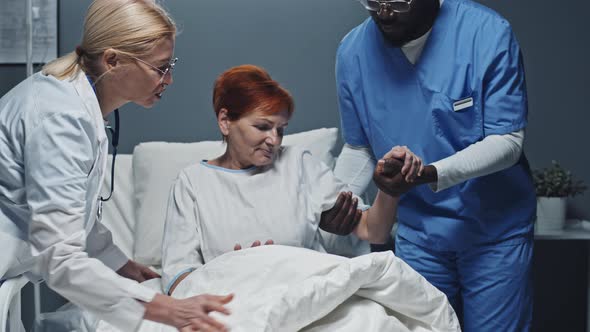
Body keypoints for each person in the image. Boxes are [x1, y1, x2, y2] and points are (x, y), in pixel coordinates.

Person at [0, 1, 232, 331]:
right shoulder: (60, 119)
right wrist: (166, 309)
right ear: (113, 60)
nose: (169, 79)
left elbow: (72, 210)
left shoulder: (78, 105)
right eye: (160, 67)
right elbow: (60, 257)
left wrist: (121, 264)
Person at [333, 0, 536, 330]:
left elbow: (507, 142)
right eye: (373, 1)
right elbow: (360, 148)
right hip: (420, 234)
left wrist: (426, 174)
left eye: (398, 2)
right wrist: (334, 202)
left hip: (492, 232)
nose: (383, 13)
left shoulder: (486, 34)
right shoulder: (353, 52)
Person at [161, 64, 422, 296]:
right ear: (225, 121)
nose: (274, 140)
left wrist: (389, 190)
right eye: (262, 127)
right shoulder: (193, 183)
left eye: (281, 130)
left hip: (309, 294)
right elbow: (179, 275)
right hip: (235, 301)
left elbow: (372, 230)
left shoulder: (298, 163)